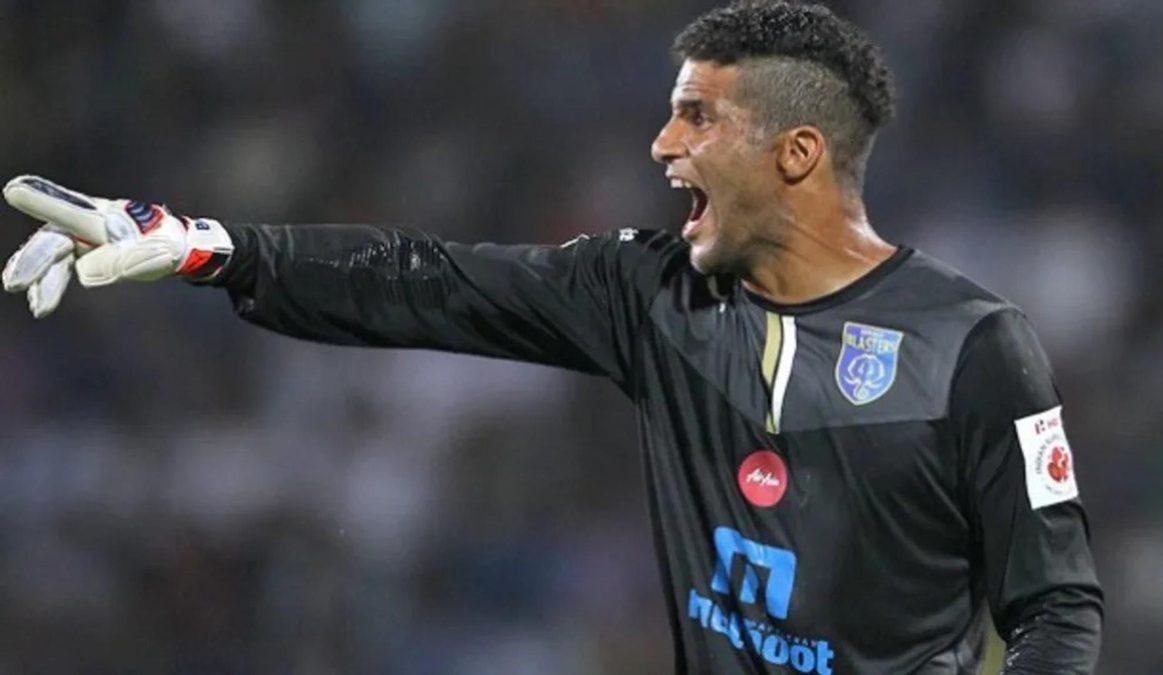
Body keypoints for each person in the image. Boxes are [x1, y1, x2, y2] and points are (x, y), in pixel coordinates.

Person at [1, 2, 1102, 673]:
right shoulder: (651, 294)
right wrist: (210, 246)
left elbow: (1056, 608)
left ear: (797, 153)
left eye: (697, 116)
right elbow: (426, 282)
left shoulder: (973, 348)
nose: (661, 143)